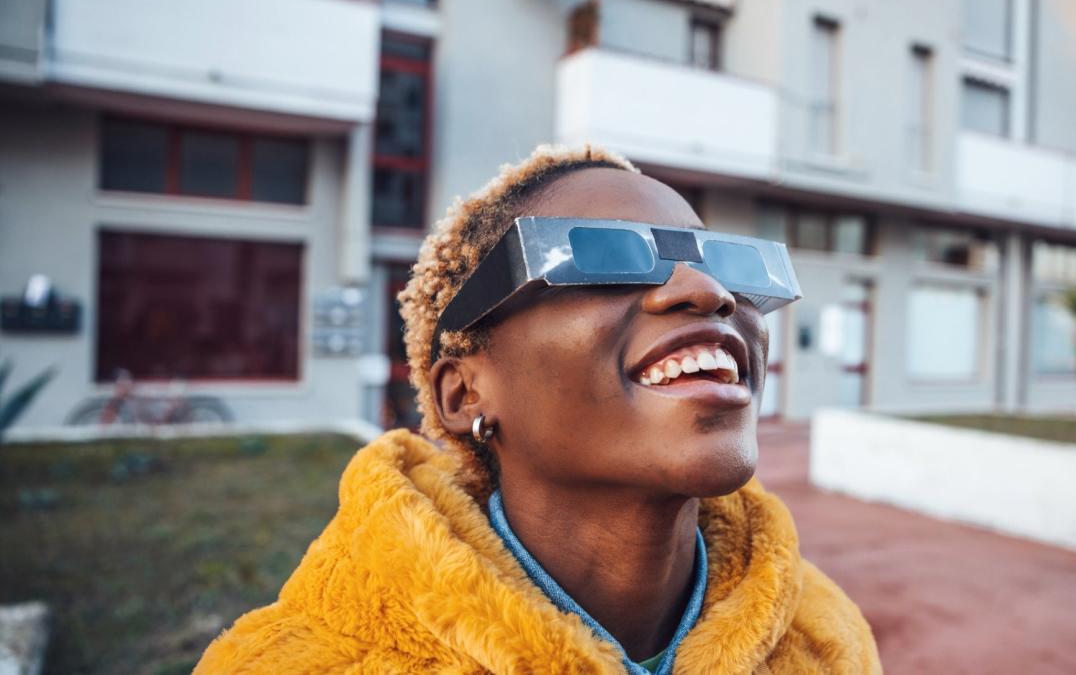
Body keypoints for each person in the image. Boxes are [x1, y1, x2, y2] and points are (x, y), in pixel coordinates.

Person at [195, 145, 881, 674]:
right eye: (604, 256)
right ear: (465, 393)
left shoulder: (829, 637)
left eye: (725, 265)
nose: (707, 291)